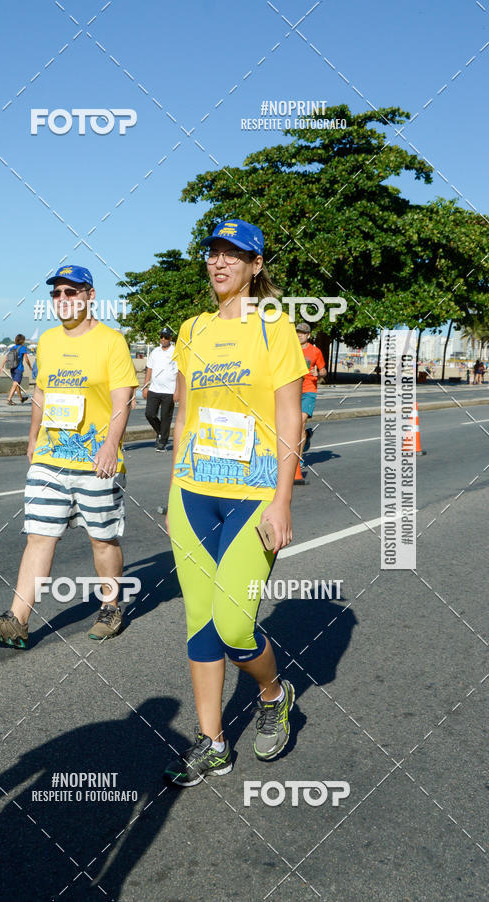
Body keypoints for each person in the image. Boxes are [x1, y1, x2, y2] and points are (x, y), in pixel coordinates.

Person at [163, 219, 308, 787]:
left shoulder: (275, 327)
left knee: (234, 624)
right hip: (193, 492)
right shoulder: (192, 329)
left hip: (252, 495)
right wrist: (174, 489)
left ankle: (273, 693)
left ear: (255, 265)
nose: (220, 262)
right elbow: (184, 414)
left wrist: (282, 501)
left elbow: (290, 418)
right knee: (200, 621)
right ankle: (213, 742)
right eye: (213, 252)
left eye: (234, 254)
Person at [0, 265, 138, 648]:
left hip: (96, 461)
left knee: (103, 539)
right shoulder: (47, 341)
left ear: (90, 295)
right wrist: (33, 437)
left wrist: (111, 445)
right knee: (39, 536)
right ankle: (17, 620)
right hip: (50, 457)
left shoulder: (112, 342)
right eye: (57, 293)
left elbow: (123, 398)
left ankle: (111, 607)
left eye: (71, 291)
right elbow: (42, 392)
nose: (62, 299)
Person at [296, 322, 327, 463]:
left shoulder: (315, 351)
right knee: (292, 425)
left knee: (301, 422)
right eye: (297, 332)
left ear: (308, 335)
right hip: (293, 391)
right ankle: (307, 436)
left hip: (309, 391)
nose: (299, 335)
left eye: (302, 333)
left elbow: (324, 371)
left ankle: (299, 460)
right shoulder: (291, 349)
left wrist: (318, 374)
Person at [143, 327, 178, 451]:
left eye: (166, 337)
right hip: (154, 389)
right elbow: (149, 369)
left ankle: (162, 442)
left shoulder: (175, 352)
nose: (163, 339)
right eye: (161, 336)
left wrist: (177, 391)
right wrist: (145, 387)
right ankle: (160, 432)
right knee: (149, 414)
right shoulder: (155, 351)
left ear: (170, 338)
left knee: (165, 417)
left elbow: (179, 372)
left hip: (169, 391)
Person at [1, 334, 32, 404]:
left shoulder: (12, 347)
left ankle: (21, 398)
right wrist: (30, 367)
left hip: (12, 368)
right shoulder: (23, 348)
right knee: (15, 384)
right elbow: (26, 359)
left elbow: (7, 357)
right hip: (19, 368)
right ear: (22, 341)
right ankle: (9, 399)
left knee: (17, 384)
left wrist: (2, 366)